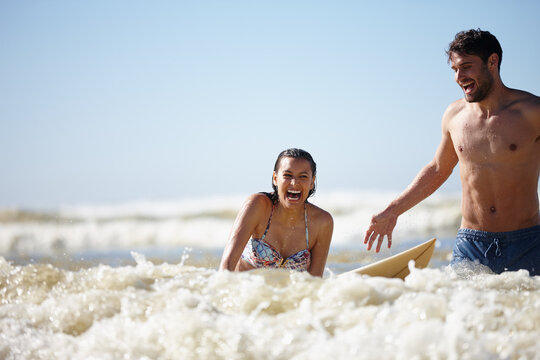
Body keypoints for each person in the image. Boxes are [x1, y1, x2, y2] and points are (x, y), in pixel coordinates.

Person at [364, 29, 540, 275]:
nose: (459, 77)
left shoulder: (532, 112)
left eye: (466, 67)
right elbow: (438, 168)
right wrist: (392, 210)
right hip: (471, 244)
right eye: (455, 69)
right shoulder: (454, 116)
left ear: (492, 62)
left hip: (528, 242)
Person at [220, 148, 334, 277]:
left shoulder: (322, 222)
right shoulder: (258, 205)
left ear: (312, 182)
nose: (294, 183)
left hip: (284, 297)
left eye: (303, 176)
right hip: (245, 293)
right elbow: (225, 268)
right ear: (275, 178)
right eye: (287, 175)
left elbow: (315, 281)